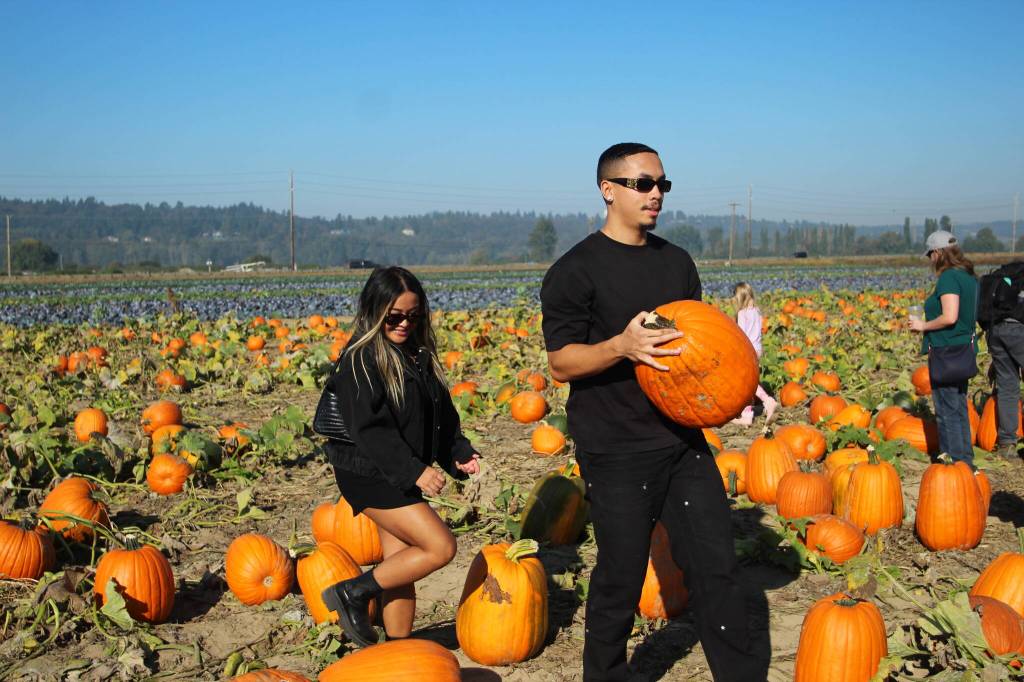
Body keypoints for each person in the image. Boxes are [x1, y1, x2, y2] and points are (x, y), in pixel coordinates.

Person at [540, 142, 767, 681]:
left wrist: (730, 388)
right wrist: (621, 347)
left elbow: (700, 348)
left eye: (662, 183)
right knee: (620, 576)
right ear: (608, 189)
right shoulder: (574, 270)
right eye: (642, 183)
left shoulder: (676, 262)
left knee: (716, 568)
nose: (656, 194)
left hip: (681, 442)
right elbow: (561, 362)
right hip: (615, 447)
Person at [319, 266, 481, 647]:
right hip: (368, 471)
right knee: (440, 546)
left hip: (396, 469)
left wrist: (458, 454)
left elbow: (440, 418)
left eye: (413, 315)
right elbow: (371, 432)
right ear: (375, 312)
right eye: (394, 317)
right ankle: (352, 592)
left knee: (401, 559)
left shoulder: (417, 354)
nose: (404, 324)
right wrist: (415, 472)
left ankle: (397, 647)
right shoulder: (361, 360)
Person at [909, 230, 978, 467]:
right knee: (958, 408)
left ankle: (953, 464)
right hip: (963, 350)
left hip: (947, 351)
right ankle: (965, 462)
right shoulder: (968, 276)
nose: (930, 259)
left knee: (947, 412)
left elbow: (950, 316)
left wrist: (923, 325)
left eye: (930, 254)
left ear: (938, 252)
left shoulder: (948, 278)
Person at [731, 282, 778, 426]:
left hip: (747, 350)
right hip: (757, 349)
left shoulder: (742, 313)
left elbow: (741, 335)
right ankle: (749, 413)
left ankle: (767, 402)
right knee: (751, 380)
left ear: (740, 297)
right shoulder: (757, 311)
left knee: (746, 384)